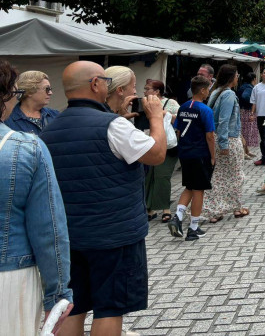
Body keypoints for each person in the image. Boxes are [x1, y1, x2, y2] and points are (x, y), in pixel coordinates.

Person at [42, 61, 167, 336]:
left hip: (70, 237)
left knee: (73, 306)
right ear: (95, 84)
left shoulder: (49, 129)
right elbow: (157, 154)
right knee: (109, 308)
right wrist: (156, 117)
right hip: (114, 235)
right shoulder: (112, 126)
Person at [0, 60, 74, 335]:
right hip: (10, 276)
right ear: (6, 96)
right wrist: (58, 294)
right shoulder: (26, 147)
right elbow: (49, 229)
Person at [169, 76, 217, 242]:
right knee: (199, 190)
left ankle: (178, 215)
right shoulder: (205, 110)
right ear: (202, 90)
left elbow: (178, 130)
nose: (209, 92)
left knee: (189, 186)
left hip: (185, 153)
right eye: (208, 89)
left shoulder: (183, 107)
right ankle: (193, 228)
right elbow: (210, 135)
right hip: (200, 153)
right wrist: (213, 156)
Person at [203, 64, 249, 222]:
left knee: (218, 175)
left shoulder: (215, 92)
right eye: (236, 76)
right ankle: (234, 208)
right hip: (228, 139)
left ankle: (219, 209)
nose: (238, 78)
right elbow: (224, 120)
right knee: (235, 175)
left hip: (217, 138)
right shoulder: (228, 94)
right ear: (231, 77)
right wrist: (224, 145)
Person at [143, 79, 180, 224]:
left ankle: (165, 208)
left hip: (168, 145)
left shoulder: (170, 103)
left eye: (147, 89)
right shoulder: (144, 103)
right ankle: (149, 209)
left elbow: (180, 119)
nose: (145, 91)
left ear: (157, 91)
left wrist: (164, 114)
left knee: (162, 176)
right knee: (149, 176)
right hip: (148, 143)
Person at [3, 69, 59, 135]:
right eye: (47, 89)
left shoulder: (55, 115)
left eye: (50, 89)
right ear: (29, 91)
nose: (50, 93)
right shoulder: (8, 119)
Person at [237, 72, 258, 159]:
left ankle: (246, 151)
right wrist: (251, 102)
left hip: (242, 110)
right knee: (245, 133)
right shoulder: (249, 88)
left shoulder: (243, 86)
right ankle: (243, 152)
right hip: (246, 111)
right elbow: (245, 96)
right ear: (253, 79)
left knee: (243, 132)